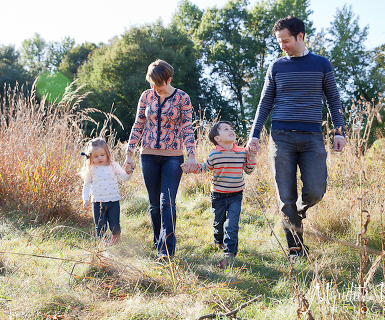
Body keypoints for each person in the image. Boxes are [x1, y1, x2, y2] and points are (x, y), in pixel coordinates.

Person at [246, 16, 345, 262]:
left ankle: (297, 212)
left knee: (315, 191)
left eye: (286, 40)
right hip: (281, 138)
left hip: (312, 138)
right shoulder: (277, 66)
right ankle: (296, 250)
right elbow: (265, 102)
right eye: (279, 41)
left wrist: (339, 130)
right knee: (285, 197)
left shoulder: (322, 64)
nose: (282, 45)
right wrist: (254, 134)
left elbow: (334, 99)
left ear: (300, 36)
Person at [124, 59, 197, 260]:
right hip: (147, 155)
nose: (155, 88)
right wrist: (129, 154)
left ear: (169, 79)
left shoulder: (182, 98)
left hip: (173, 157)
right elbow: (138, 125)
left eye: (159, 83)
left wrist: (191, 155)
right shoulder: (146, 96)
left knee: (167, 202)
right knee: (154, 204)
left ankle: (166, 251)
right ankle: (159, 242)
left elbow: (187, 128)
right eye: (152, 83)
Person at [182, 121, 256, 269]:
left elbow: (249, 170)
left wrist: (252, 156)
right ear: (217, 138)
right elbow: (204, 167)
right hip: (218, 195)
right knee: (219, 223)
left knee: (231, 224)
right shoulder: (214, 153)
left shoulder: (241, 151)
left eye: (231, 128)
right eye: (226, 129)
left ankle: (230, 252)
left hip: (236, 195)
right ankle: (219, 241)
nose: (231, 130)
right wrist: (192, 168)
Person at [81, 138, 133, 245]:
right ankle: (102, 247)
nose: (100, 158)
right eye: (96, 156)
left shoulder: (113, 165)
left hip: (113, 202)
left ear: (107, 153)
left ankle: (115, 238)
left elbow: (124, 177)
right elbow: (86, 185)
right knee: (100, 228)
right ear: (91, 157)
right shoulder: (91, 169)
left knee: (115, 227)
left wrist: (129, 172)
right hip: (97, 203)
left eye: (102, 155)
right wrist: (85, 199)